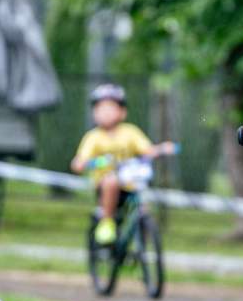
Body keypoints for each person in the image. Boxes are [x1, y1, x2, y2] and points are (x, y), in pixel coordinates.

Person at [71, 83, 174, 245]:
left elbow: (146, 150)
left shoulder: (130, 132)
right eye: (100, 109)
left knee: (143, 193)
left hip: (130, 183)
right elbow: (79, 162)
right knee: (111, 180)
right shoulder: (93, 137)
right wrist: (84, 163)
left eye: (110, 108)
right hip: (106, 186)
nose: (105, 113)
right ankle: (107, 223)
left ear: (122, 112)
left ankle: (143, 227)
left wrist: (162, 148)